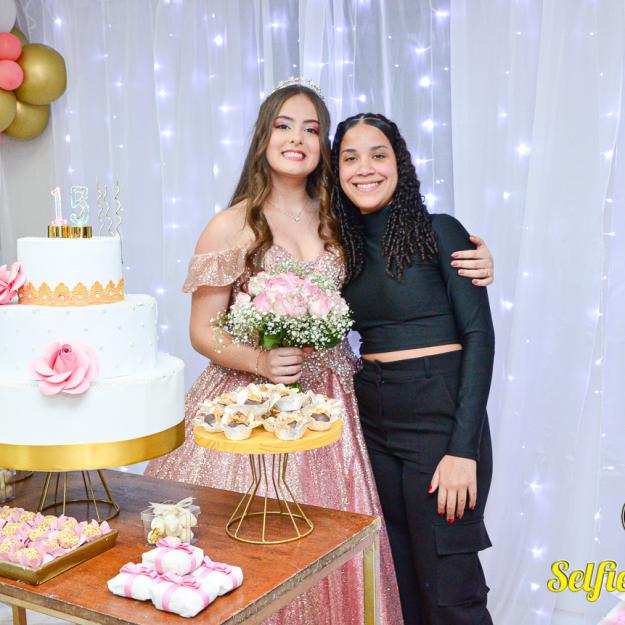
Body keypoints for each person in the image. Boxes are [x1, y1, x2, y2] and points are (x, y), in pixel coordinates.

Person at [146, 82, 493, 625]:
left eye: (311, 129)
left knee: (371, 558)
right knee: (260, 555)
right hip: (257, 408)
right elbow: (202, 330)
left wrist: (473, 257)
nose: (297, 138)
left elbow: (405, 257)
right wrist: (259, 360)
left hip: (340, 403)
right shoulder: (231, 224)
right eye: (284, 125)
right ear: (263, 136)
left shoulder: (340, 219)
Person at [334, 112, 495, 625]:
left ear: (399, 164)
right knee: (401, 583)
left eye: (378, 155)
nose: (365, 168)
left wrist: (463, 450)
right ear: (336, 171)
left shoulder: (440, 231)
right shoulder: (342, 249)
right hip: (374, 417)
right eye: (350, 158)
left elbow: (479, 338)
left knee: (450, 590)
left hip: (438, 415)